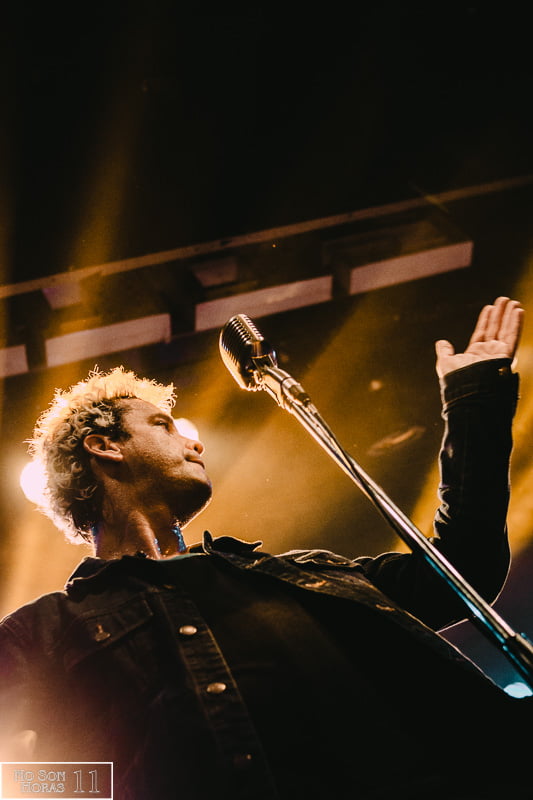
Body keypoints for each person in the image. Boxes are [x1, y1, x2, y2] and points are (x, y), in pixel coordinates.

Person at [0, 296, 530, 800]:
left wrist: (473, 401)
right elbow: (21, 777)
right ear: (104, 446)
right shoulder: (43, 633)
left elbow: (464, 568)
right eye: (162, 426)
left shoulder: (305, 577)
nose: (195, 443)